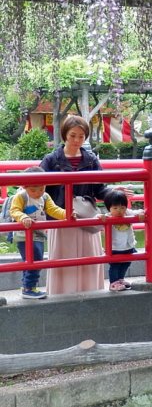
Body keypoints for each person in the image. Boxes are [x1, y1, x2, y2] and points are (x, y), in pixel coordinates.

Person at [40, 114, 108, 295]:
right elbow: (39, 188)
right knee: (63, 258)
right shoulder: (51, 160)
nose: (77, 140)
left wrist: (115, 195)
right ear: (64, 135)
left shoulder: (91, 159)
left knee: (89, 257)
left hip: (86, 215)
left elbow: (100, 189)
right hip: (61, 216)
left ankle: (92, 293)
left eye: (81, 136)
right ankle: (61, 295)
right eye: (73, 135)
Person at [8, 167, 66, 299]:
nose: (38, 193)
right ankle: (29, 287)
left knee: (34, 259)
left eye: (41, 188)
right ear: (25, 186)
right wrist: (23, 217)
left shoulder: (45, 197)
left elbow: (53, 209)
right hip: (24, 234)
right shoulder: (21, 196)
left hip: (38, 233)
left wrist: (66, 214)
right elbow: (14, 211)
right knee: (35, 260)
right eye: (33, 190)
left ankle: (28, 286)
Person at [103, 187, 144, 292]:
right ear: (109, 208)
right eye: (115, 208)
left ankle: (121, 279)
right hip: (115, 247)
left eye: (122, 207)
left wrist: (140, 214)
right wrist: (100, 217)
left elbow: (137, 211)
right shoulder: (107, 217)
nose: (119, 211)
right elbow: (97, 218)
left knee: (126, 263)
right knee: (115, 265)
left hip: (128, 246)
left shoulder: (128, 213)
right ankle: (113, 282)